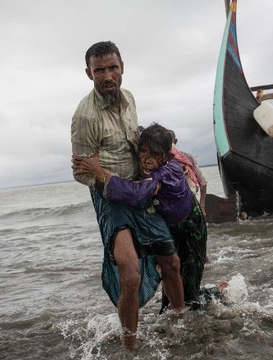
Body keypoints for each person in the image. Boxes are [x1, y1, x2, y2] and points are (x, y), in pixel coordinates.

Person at [70, 41, 184, 349]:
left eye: (112, 68)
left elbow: (136, 142)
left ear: (122, 68)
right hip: (111, 198)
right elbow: (81, 172)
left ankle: (181, 322)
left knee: (171, 262)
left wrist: (162, 157)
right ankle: (130, 346)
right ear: (88, 73)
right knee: (130, 274)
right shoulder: (85, 116)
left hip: (139, 189)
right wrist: (107, 179)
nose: (107, 75)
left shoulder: (130, 98)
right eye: (99, 70)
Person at [74, 123, 218, 312]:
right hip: (172, 227)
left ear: (166, 155)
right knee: (171, 287)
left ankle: (217, 294)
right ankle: (173, 319)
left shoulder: (164, 172)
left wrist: (100, 173)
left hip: (191, 228)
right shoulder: (153, 165)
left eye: (154, 155)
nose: (147, 160)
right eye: (143, 152)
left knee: (189, 291)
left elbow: (137, 194)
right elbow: (132, 132)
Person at [168, 130, 208, 215]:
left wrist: (202, 206)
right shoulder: (162, 158)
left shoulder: (187, 158)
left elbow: (203, 183)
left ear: (175, 141)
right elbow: (203, 183)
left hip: (186, 204)